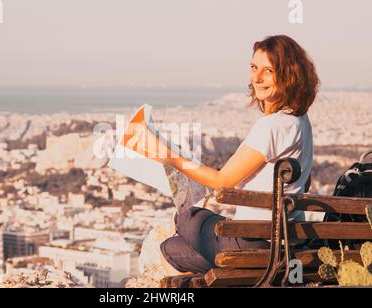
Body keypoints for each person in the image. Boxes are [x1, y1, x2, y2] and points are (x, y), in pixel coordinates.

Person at [128, 35, 320, 275]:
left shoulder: (272, 126)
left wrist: (167, 155)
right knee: (172, 249)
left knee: (187, 216)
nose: (257, 77)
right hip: (285, 242)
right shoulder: (300, 121)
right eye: (254, 67)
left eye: (268, 70)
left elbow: (223, 181)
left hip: (256, 242)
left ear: (288, 74)